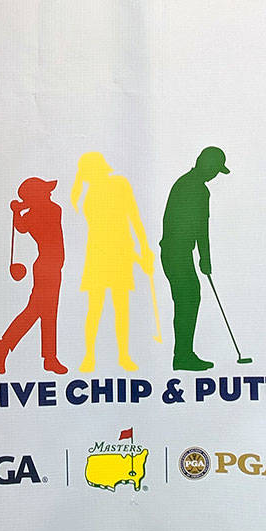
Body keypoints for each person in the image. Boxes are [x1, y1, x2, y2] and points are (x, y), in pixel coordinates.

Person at [70, 152, 154, 371]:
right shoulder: (87, 194)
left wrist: (144, 248)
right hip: (99, 253)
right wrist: (139, 251)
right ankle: (89, 356)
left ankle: (123, 355)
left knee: (120, 306)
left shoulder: (118, 184)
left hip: (118, 254)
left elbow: (134, 216)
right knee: (96, 307)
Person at [160, 146, 230, 370]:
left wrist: (200, 257)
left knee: (188, 299)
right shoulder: (197, 189)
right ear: (206, 165)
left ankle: (183, 354)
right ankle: (182, 356)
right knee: (188, 299)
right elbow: (201, 228)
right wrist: (205, 259)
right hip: (177, 253)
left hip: (175, 252)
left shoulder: (185, 182)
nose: (215, 175)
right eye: (215, 170)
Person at [0, 176, 66, 374]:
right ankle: (5, 345)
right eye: (45, 191)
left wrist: (19, 209)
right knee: (36, 312)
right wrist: (21, 209)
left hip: (51, 267)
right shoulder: (43, 211)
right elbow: (23, 227)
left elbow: (22, 226)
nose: (50, 193)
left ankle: (48, 358)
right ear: (39, 196)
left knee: (46, 313)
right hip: (47, 267)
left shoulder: (48, 210)